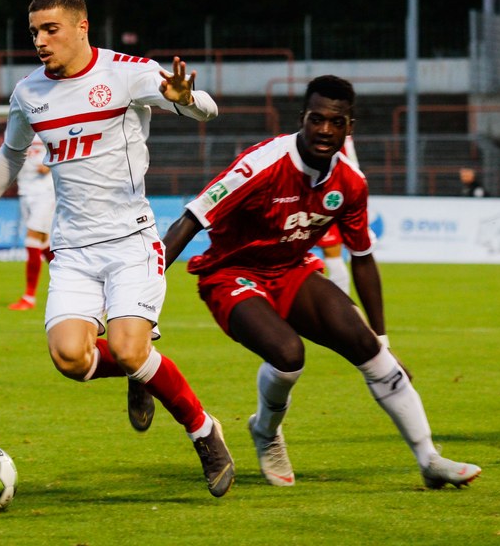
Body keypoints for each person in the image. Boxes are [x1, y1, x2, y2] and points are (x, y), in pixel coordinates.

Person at [0, 0, 235, 497]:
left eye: (50, 29)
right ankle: (141, 372)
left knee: (127, 347)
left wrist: (185, 98)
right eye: (34, 31)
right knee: (70, 359)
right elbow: (10, 155)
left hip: (131, 241)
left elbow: (205, 109)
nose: (39, 40)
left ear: (82, 28)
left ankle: (203, 431)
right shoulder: (28, 93)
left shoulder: (126, 73)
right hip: (73, 250)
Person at [161, 75, 481, 490]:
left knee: (368, 348)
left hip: (291, 269)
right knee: (288, 354)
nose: (325, 130)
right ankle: (266, 431)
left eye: (336, 122)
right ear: (302, 119)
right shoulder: (261, 165)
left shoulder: (351, 182)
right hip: (230, 273)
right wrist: (142, 296)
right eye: (317, 119)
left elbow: (362, 258)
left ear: (350, 127)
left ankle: (429, 459)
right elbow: (190, 220)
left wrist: (382, 340)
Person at [8, 135, 55, 310]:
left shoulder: (46, 125)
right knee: (43, 243)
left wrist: (50, 165)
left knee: (32, 238)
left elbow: (64, 148)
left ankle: (29, 296)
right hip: (25, 192)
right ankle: (74, 282)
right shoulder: (16, 127)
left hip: (45, 192)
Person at [315, 135, 358, 294]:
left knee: (332, 253)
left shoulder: (338, 139)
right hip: (328, 197)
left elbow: (351, 167)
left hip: (329, 198)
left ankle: (341, 301)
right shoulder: (343, 137)